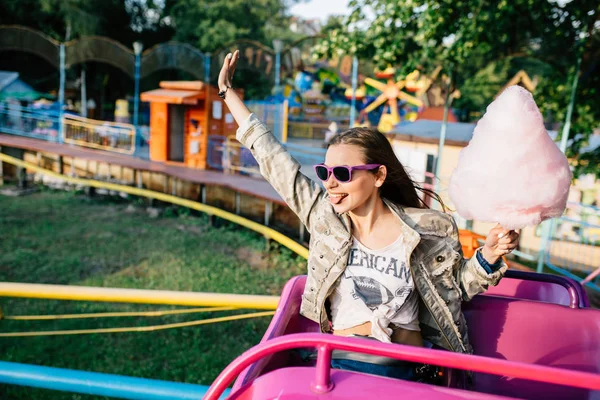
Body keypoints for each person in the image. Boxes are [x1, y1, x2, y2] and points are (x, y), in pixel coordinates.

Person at [218, 51, 519, 381]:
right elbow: (275, 162)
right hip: (341, 368)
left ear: (378, 176)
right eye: (325, 171)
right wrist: (228, 94)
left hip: (406, 372)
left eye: (343, 173)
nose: (330, 182)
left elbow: (455, 290)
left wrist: (489, 255)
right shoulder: (325, 219)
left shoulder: (430, 227)